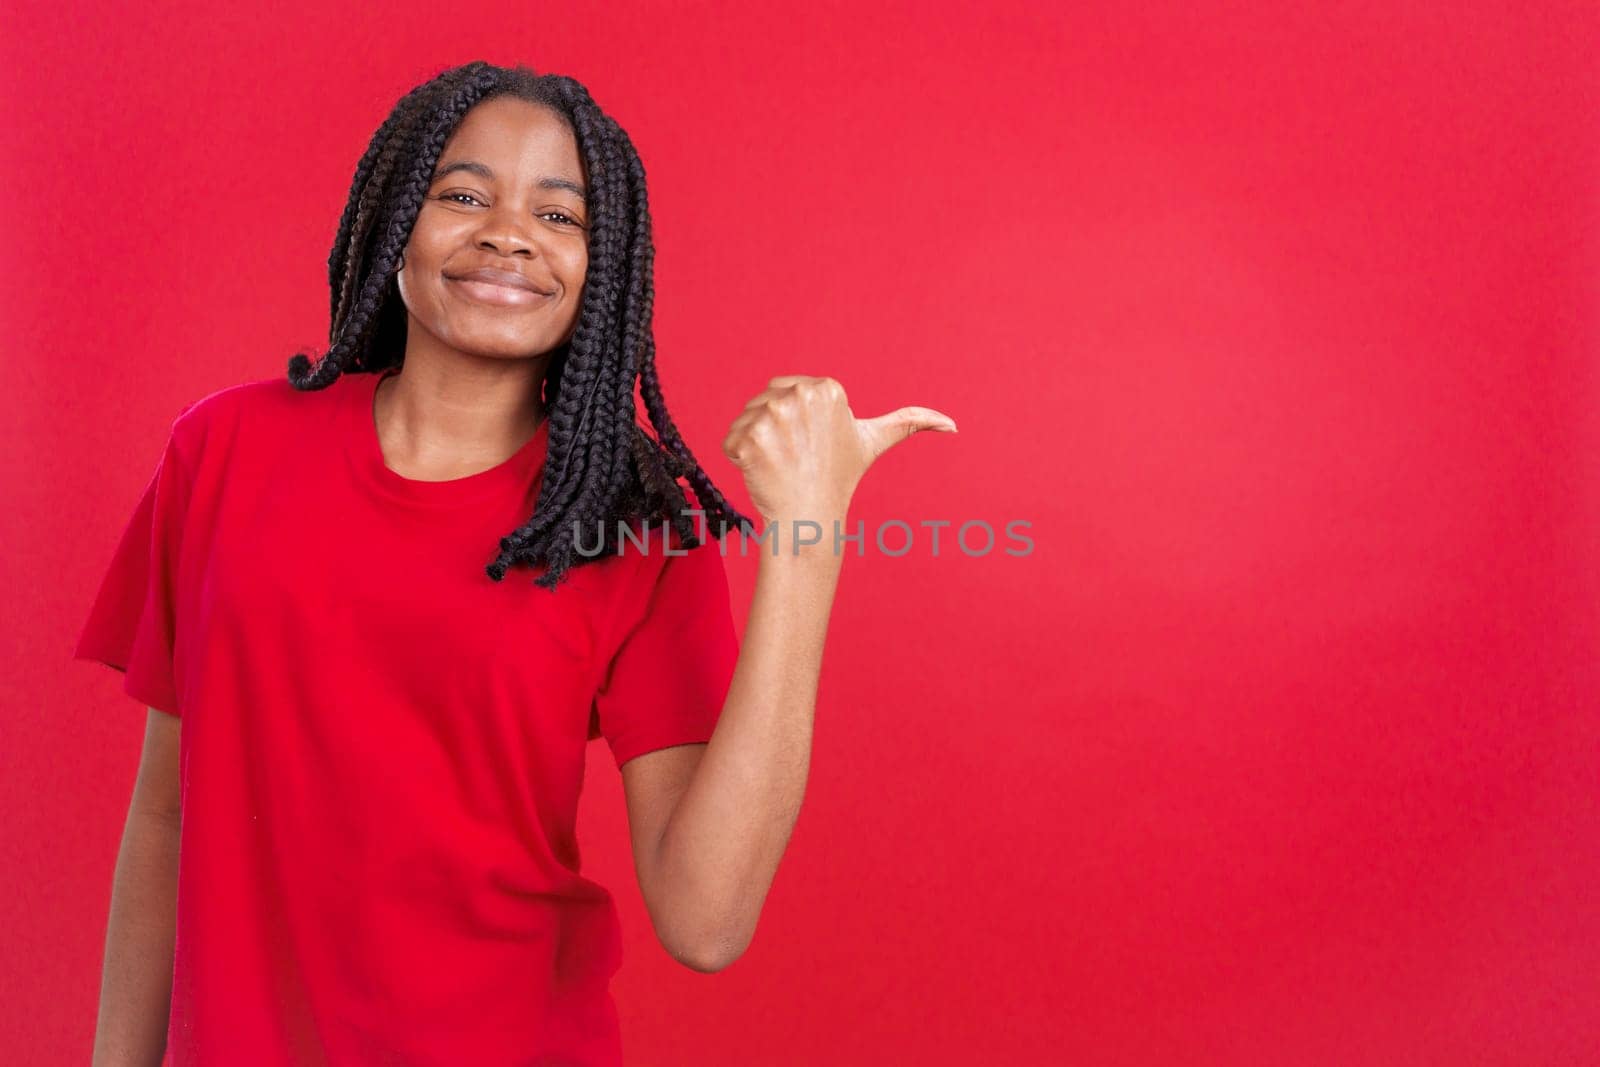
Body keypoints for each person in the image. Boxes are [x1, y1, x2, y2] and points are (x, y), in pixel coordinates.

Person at [74, 61, 955, 1066]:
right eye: (462, 194)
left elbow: (706, 917)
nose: (507, 231)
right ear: (394, 217)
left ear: (607, 265)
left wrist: (809, 534)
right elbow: (167, 814)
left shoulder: (630, 522)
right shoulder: (224, 451)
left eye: (560, 215)